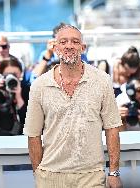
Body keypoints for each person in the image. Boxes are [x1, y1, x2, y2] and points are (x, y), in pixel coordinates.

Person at [24, 24, 122, 188]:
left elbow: (112, 128)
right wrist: (39, 174)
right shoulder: (39, 86)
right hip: (50, 177)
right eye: (63, 42)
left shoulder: (102, 80)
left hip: (91, 176)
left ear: (83, 48)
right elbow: (33, 135)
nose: (69, 46)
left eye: (75, 42)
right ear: (55, 48)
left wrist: (114, 172)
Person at [0, 57, 29, 136]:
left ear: (21, 74)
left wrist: (18, 97)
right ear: (1, 75)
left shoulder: (26, 89)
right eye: (7, 75)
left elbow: (29, 122)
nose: (11, 77)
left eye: (15, 75)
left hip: (20, 138)